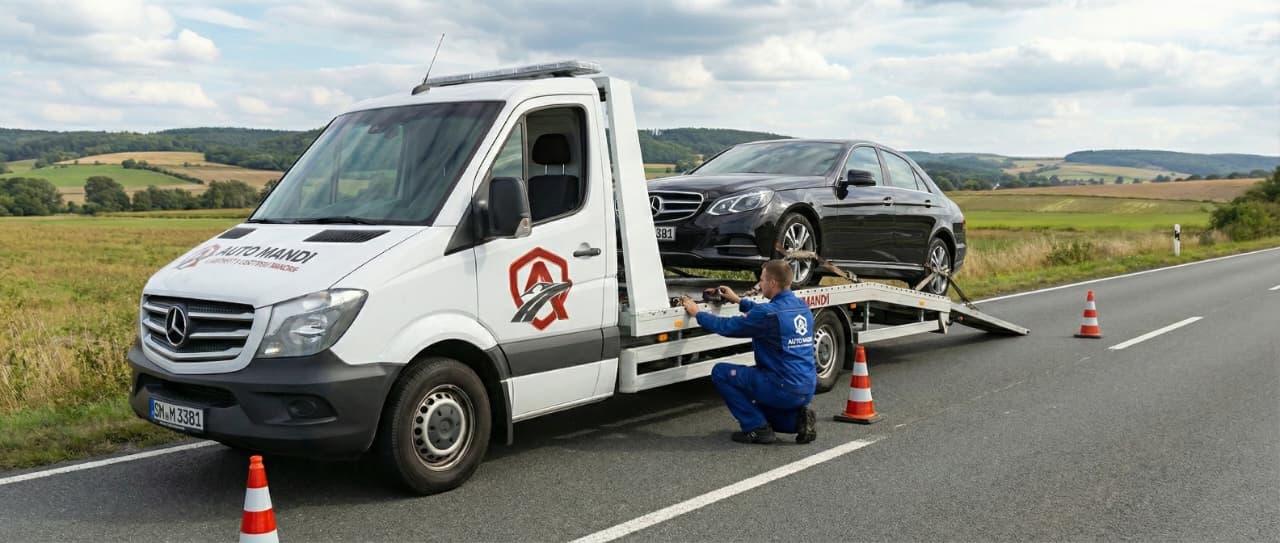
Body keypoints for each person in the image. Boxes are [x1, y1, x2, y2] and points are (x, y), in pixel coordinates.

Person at [680, 259, 818, 444]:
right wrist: (738, 300)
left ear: (772, 283)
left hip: (781, 387)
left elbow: (727, 327)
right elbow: (768, 312)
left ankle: (756, 429)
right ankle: (798, 421)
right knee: (762, 407)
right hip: (806, 387)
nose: (760, 285)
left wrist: (697, 313)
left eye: (762, 280)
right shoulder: (802, 307)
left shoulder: (768, 315)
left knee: (721, 372)